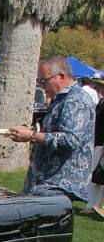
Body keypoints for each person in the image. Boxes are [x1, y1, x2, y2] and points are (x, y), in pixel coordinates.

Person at [8, 56, 95, 203]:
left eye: (44, 80)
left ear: (60, 77)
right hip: (46, 184)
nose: (41, 85)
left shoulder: (76, 99)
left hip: (57, 185)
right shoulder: (62, 99)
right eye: (39, 81)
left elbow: (71, 140)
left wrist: (32, 136)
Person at [88, 76, 104, 216]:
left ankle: (93, 204)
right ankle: (92, 204)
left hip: (101, 144)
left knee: (97, 174)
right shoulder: (101, 101)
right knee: (96, 176)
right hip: (97, 141)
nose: (99, 88)